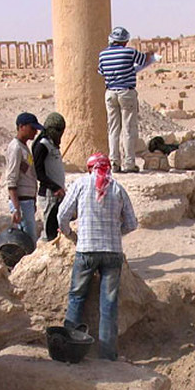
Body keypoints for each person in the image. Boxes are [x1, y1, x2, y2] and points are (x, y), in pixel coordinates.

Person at [57, 153, 139, 361]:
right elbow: (131, 223)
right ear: (108, 168)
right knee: (109, 304)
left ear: (89, 169)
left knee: (76, 297)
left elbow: (62, 216)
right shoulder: (118, 188)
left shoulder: (81, 184)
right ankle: (107, 355)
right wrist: (113, 233)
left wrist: (71, 234)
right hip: (112, 253)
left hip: (86, 250)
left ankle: (69, 350)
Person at [98, 26, 155, 173]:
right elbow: (144, 60)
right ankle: (129, 163)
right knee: (129, 129)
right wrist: (150, 54)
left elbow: (101, 72)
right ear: (125, 41)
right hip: (126, 92)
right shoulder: (129, 52)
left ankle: (114, 162)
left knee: (113, 129)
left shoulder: (103, 54)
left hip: (110, 92)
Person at [5, 112, 42, 247]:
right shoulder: (15, 148)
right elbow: (11, 179)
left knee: (29, 240)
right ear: (21, 127)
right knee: (27, 242)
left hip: (27, 200)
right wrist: (16, 208)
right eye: (32, 128)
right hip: (21, 201)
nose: (35, 132)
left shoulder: (24, 147)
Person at [33, 112, 67, 241]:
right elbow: (39, 173)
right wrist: (54, 187)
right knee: (48, 228)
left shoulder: (53, 144)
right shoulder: (42, 145)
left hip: (57, 192)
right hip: (49, 193)